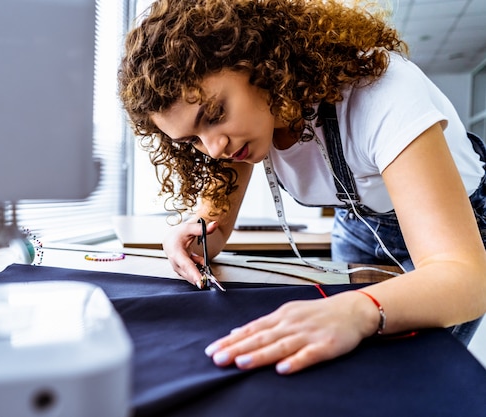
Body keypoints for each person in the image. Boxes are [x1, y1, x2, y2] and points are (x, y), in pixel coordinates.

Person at [117, 0, 486, 375]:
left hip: (463, 228)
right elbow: (213, 225)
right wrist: (190, 238)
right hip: (360, 225)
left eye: (214, 115)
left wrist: (357, 309)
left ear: (259, 64)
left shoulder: (381, 91)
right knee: (347, 366)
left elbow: (464, 278)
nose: (214, 149)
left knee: (413, 375)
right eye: (192, 140)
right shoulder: (233, 136)